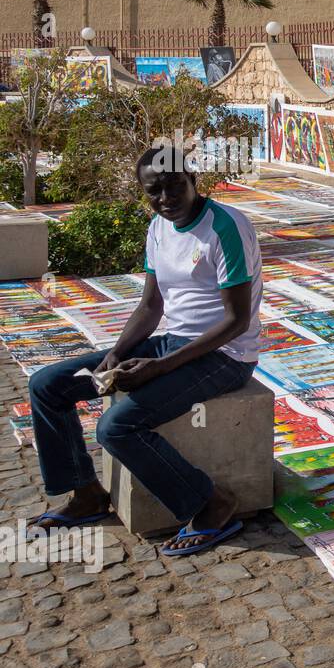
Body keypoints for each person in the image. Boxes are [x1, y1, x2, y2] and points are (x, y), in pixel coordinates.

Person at [27, 141, 263, 556]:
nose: (165, 199)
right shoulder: (159, 227)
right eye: (154, 191)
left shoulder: (225, 227)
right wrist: (117, 352)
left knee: (116, 427)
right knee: (48, 384)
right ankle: (86, 494)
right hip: (174, 343)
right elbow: (152, 304)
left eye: (174, 187)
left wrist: (160, 366)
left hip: (226, 356)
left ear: (193, 180)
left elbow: (236, 321)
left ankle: (211, 503)